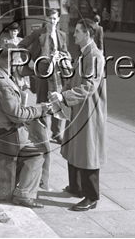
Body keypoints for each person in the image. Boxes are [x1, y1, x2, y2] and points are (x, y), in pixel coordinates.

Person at [0, 36, 52, 208]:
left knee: (33, 140)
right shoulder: (3, 83)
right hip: (5, 137)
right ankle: (24, 194)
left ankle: (18, 185)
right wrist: (40, 109)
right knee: (40, 151)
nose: (21, 64)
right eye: (19, 60)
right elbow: (17, 115)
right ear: (11, 61)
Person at [48, 18, 107, 211]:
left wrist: (64, 96)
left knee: (88, 152)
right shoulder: (83, 54)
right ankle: (76, 187)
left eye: (78, 31)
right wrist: (60, 94)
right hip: (78, 109)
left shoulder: (95, 56)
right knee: (74, 147)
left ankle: (91, 197)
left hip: (89, 111)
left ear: (88, 34)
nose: (74, 34)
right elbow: (72, 80)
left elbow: (90, 86)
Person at [18, 8, 72, 144]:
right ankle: (42, 133)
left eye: (55, 18)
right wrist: (29, 61)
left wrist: (63, 56)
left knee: (58, 101)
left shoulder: (62, 35)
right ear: (45, 19)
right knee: (43, 101)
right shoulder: (37, 33)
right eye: (50, 18)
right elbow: (21, 45)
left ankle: (56, 133)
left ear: (58, 19)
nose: (52, 21)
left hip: (57, 73)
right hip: (42, 70)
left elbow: (66, 52)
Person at [2, 22, 30, 90]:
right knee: (15, 84)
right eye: (11, 31)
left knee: (22, 85)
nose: (13, 33)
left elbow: (26, 52)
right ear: (9, 31)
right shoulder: (6, 41)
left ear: (18, 32)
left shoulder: (21, 40)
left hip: (21, 64)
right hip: (11, 64)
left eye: (15, 31)